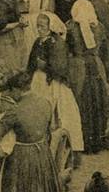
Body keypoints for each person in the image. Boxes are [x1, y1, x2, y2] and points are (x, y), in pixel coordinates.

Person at [0, 72, 64, 192]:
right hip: (43, 153)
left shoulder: (14, 110)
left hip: (21, 157)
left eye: (11, 91)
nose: (10, 94)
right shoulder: (45, 103)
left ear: (16, 89)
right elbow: (49, 132)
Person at [28, 11, 84, 164]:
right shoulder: (37, 41)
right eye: (37, 26)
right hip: (38, 81)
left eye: (42, 26)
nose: (39, 29)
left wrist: (45, 66)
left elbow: (60, 67)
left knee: (62, 115)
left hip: (53, 83)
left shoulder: (57, 43)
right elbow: (31, 63)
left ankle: (65, 151)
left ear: (50, 26)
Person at [67, 0, 109, 153]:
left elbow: (68, 49)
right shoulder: (98, 26)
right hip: (95, 65)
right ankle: (98, 141)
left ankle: (84, 141)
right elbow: (103, 48)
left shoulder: (71, 27)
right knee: (98, 102)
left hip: (79, 67)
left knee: (82, 103)